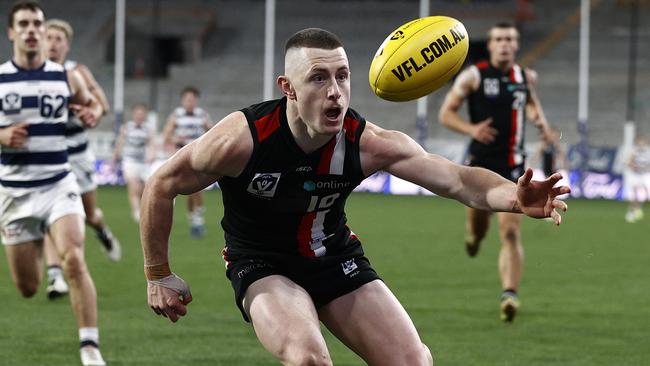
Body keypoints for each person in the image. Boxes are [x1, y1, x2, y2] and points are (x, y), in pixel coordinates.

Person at [140, 28, 569, 365]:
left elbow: (457, 180)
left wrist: (513, 197)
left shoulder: (366, 142)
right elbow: (162, 184)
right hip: (260, 263)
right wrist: (158, 274)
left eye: (342, 76)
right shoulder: (241, 140)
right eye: (319, 78)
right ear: (287, 87)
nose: (335, 92)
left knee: (413, 361)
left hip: (332, 256)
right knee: (309, 358)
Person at [0, 1, 106, 365]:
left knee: (74, 258)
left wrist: (90, 111)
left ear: (44, 33)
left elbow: (90, 104)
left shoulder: (65, 75)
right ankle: (40, 275)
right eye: (24, 24)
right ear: (12, 32)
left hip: (59, 183)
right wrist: (2, 136)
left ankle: (89, 347)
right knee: (27, 288)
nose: (32, 31)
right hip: (14, 193)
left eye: (37, 25)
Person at [438, 21, 553, 322]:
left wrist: (540, 122)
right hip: (480, 166)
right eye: (499, 39)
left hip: (514, 167)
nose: (504, 44)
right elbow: (445, 113)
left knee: (511, 232)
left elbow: (530, 104)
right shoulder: (473, 76)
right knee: (479, 230)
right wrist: (471, 128)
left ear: (516, 45)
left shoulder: (525, 77)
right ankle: (473, 240)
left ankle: (509, 295)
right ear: (490, 45)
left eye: (510, 39)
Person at [42, 18, 122, 301]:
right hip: (48, 158)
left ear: (67, 44)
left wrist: (94, 112)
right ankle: (55, 277)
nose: (52, 42)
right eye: (48, 37)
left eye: (58, 38)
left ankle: (102, 230)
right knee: (50, 216)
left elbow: (101, 103)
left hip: (77, 154)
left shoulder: (76, 72)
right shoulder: (32, 74)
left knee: (89, 215)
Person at [162, 86, 212, 238]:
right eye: (187, 99)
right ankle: (195, 220)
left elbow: (213, 131)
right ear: (183, 100)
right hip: (182, 156)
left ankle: (197, 221)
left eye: (192, 99)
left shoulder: (202, 115)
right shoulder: (176, 115)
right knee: (190, 191)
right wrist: (176, 139)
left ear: (196, 101)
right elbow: (166, 135)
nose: (189, 102)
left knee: (197, 189)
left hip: (198, 155)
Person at [113, 103, 154, 222]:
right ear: (133, 115)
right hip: (130, 161)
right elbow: (120, 142)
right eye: (137, 114)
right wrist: (115, 157)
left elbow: (151, 143)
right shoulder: (127, 127)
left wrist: (152, 154)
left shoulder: (148, 128)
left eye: (142, 114)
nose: (139, 116)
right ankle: (136, 212)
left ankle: (143, 209)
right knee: (133, 186)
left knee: (145, 189)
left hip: (143, 163)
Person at [623, 134, 650, 223]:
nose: (641, 144)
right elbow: (627, 162)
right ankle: (631, 212)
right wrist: (634, 166)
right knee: (635, 194)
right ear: (637, 143)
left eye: (643, 142)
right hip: (635, 175)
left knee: (646, 194)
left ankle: (638, 208)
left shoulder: (648, 151)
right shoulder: (634, 151)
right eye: (640, 142)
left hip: (645, 175)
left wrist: (646, 168)